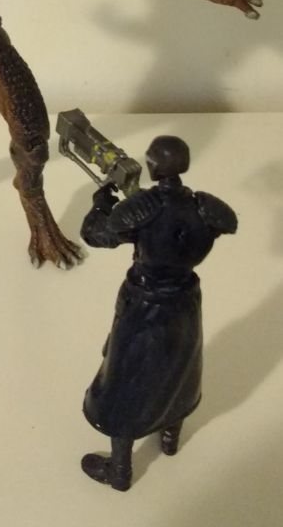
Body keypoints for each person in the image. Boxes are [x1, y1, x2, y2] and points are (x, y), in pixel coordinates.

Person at [80, 135, 237, 491]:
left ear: (152, 166)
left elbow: (95, 235)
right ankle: (169, 437)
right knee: (178, 367)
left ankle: (120, 470)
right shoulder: (204, 208)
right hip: (184, 303)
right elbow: (223, 223)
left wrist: (101, 205)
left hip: (145, 305)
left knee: (126, 379)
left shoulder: (144, 209)